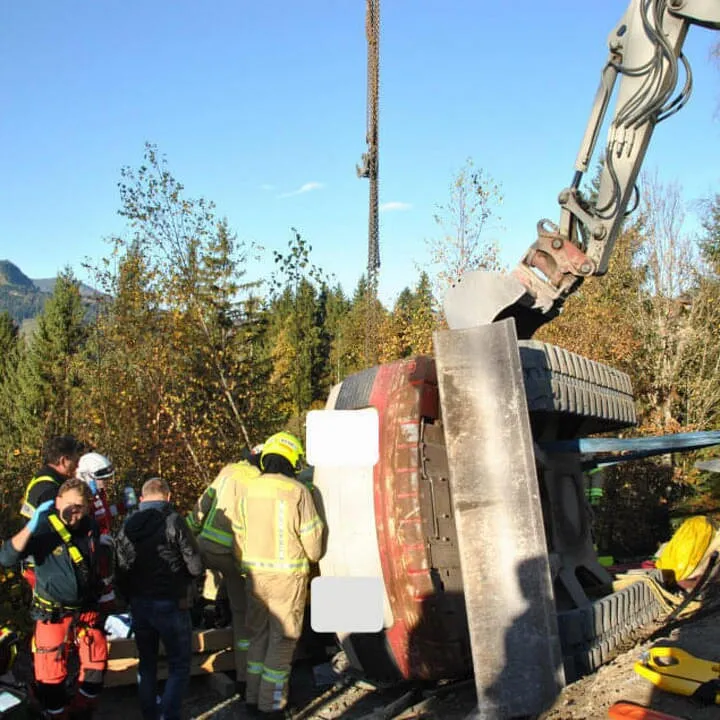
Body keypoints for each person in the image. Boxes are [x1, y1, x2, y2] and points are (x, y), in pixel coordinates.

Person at [0, 478, 109, 720]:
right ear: (57, 501)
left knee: (96, 665)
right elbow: (6, 557)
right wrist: (30, 526)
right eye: (69, 506)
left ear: (88, 507)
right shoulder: (43, 529)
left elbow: (91, 570)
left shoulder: (89, 527)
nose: (74, 512)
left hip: (84, 612)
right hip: (53, 614)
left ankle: (82, 710)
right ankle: (55, 714)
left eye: (80, 507)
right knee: (50, 674)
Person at [235, 432, 324, 719]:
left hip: (254, 577)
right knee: (282, 643)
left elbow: (237, 534)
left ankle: (252, 698)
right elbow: (313, 544)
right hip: (287, 579)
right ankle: (271, 707)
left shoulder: (248, 489)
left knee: (258, 636)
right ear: (292, 461)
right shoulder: (298, 491)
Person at [114, 477, 204, 720]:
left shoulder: (127, 525)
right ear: (169, 496)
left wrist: (127, 598)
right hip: (171, 603)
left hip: (139, 604)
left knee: (147, 664)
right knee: (179, 665)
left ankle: (150, 714)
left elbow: (120, 568)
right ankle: (169, 714)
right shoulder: (174, 521)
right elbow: (195, 566)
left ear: (142, 499)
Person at [186, 449, 261, 697]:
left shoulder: (228, 472)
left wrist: (185, 536)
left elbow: (203, 504)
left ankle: (202, 613)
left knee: (192, 592)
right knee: (242, 616)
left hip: (205, 547)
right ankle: (243, 677)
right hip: (232, 557)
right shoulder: (258, 480)